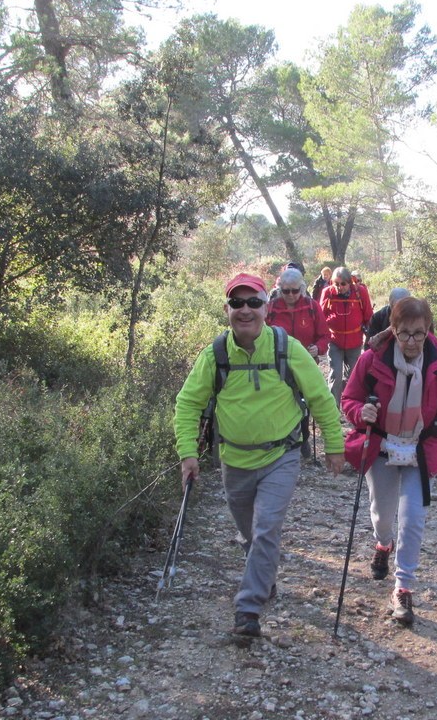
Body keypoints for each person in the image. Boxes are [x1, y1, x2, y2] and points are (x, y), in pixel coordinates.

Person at [175, 273, 345, 638]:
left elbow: (320, 398)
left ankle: (247, 609)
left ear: (266, 308)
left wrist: (335, 446)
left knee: (266, 527)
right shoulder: (215, 354)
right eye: (237, 303)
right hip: (233, 460)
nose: (245, 310)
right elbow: (188, 403)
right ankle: (264, 577)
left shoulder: (287, 348)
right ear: (227, 310)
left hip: (280, 456)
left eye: (253, 302)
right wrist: (188, 453)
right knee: (251, 534)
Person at [340, 296, 437, 626]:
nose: (412, 341)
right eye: (404, 334)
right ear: (393, 330)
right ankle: (383, 544)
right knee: (382, 515)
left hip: (419, 450)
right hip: (382, 446)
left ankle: (403, 588)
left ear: (428, 330)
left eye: (418, 333)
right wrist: (361, 412)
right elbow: (349, 399)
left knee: (412, 518)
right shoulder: (372, 359)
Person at [265, 266, 330, 457]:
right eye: (286, 291)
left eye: (295, 290)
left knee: (303, 403)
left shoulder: (311, 306)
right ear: (279, 289)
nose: (291, 295)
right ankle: (279, 437)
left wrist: (318, 348)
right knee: (279, 401)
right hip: (277, 365)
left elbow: (325, 335)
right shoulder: (271, 309)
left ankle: (303, 436)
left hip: (305, 365)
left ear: (301, 288)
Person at [319, 267, 373, 406]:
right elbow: (320, 318)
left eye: (343, 284)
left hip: (355, 342)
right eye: (336, 283)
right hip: (335, 341)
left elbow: (368, 315)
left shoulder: (360, 292)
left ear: (350, 282)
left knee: (354, 377)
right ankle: (333, 410)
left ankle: (352, 407)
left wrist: (369, 337)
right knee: (335, 376)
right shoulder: (327, 293)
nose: (339, 287)